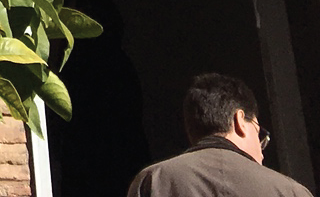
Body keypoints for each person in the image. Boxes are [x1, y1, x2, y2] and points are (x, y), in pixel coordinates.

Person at [126, 74, 308, 197]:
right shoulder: (289, 191)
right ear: (240, 120)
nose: (262, 154)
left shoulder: (152, 181)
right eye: (258, 132)